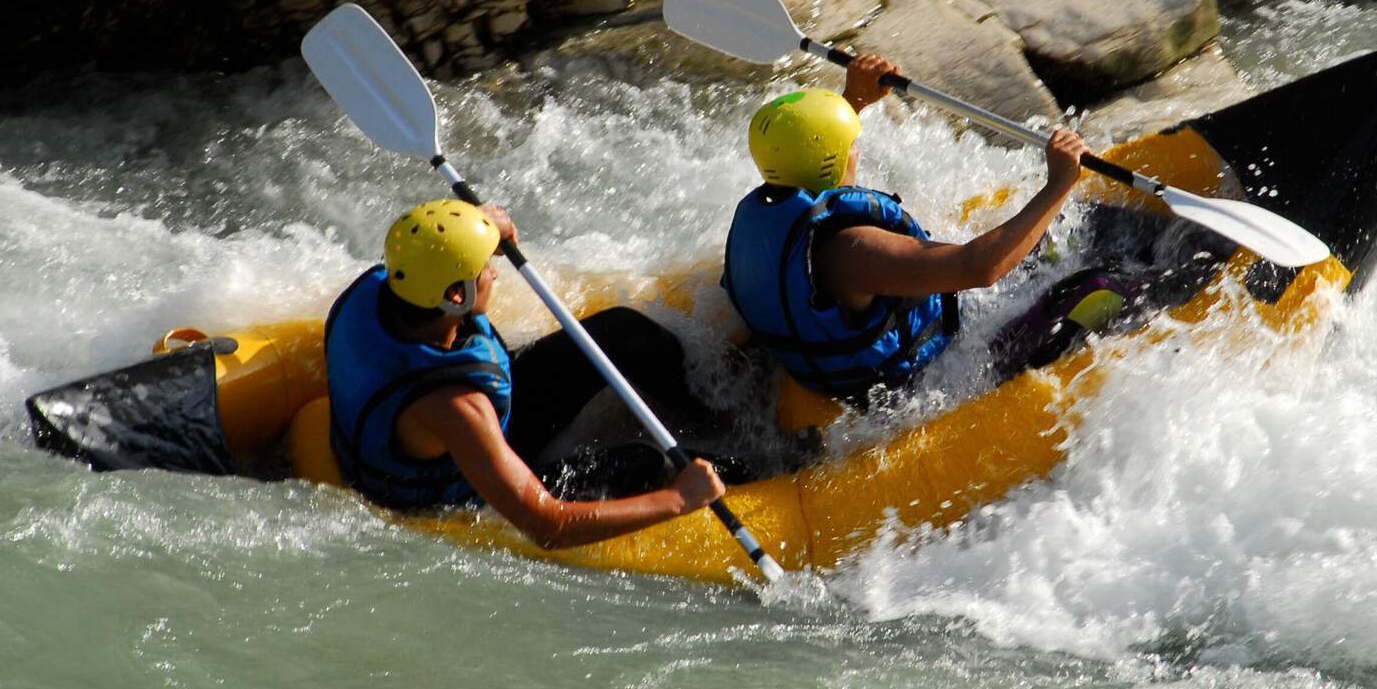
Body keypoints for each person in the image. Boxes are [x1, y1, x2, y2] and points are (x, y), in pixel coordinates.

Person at [324, 198, 728, 549]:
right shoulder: (456, 408)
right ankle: (737, 473)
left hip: (441, 419)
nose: (495, 272)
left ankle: (718, 416)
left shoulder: (388, 284)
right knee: (647, 462)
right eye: (484, 267)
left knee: (624, 332)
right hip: (458, 483)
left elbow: (429, 245)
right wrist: (678, 498)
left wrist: (479, 226)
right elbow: (549, 526)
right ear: (456, 295)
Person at [723, 54, 1089, 405]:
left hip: (815, 359)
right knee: (1088, 286)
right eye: (850, 145)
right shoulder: (853, 250)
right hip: (910, 383)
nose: (858, 150)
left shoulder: (769, 210)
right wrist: (1058, 184)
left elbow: (810, 147)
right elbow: (980, 268)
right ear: (831, 160)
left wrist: (854, 98)